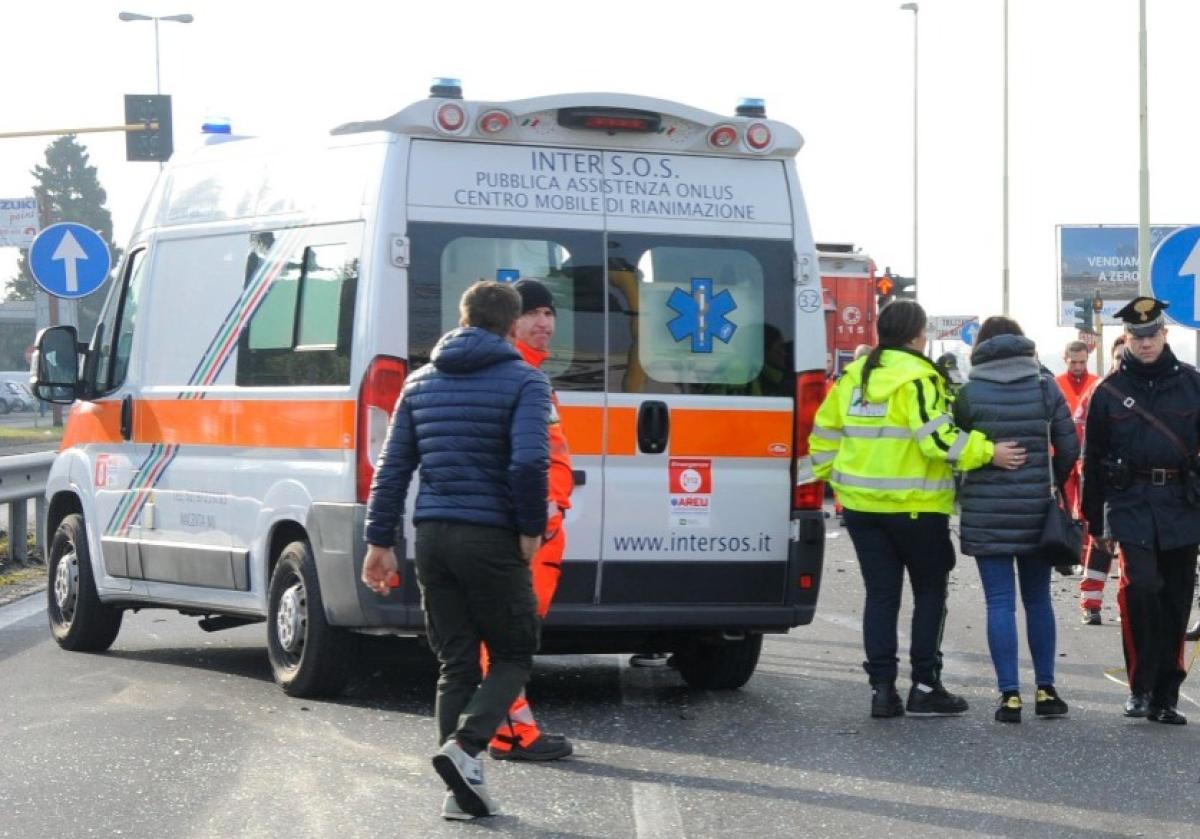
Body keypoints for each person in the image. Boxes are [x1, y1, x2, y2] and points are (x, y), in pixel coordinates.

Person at [361, 280, 551, 818]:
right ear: (512, 326)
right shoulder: (525, 381)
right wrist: (529, 526)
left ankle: (461, 794)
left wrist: (379, 541)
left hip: (434, 537)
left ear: (462, 318)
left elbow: (392, 468)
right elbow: (527, 462)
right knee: (514, 651)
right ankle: (466, 747)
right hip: (491, 535)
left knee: (455, 663)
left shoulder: (419, 383)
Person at [809, 300, 1026, 719]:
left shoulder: (854, 378)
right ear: (915, 335)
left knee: (881, 596)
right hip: (916, 509)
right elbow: (938, 441)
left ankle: (882, 691)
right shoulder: (919, 379)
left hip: (860, 509)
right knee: (929, 594)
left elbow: (822, 438)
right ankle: (925, 686)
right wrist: (989, 452)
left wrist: (838, 481)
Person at [1082, 296, 1200, 725]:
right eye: (1137, 336)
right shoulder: (1109, 390)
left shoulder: (1192, 383)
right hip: (1129, 501)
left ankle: (1166, 694)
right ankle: (1140, 686)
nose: (1145, 343)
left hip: (1182, 504)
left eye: (1152, 335)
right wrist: (1093, 518)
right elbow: (1091, 455)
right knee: (1141, 588)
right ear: (1126, 338)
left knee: (1176, 599)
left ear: (1165, 335)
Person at [953, 317, 1077, 723]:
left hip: (986, 510)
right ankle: (1046, 689)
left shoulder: (969, 392)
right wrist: (1051, 481)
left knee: (999, 603)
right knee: (1038, 600)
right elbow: (1069, 444)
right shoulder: (1045, 386)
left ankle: (1009, 696)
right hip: (1037, 510)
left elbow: (955, 448)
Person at [483, 278, 575, 762]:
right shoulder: (517, 374)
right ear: (510, 321)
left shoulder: (529, 374)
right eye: (532, 313)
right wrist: (544, 514)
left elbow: (550, 455)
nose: (544, 322)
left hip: (538, 524)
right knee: (509, 633)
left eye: (549, 313)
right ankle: (510, 733)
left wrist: (556, 505)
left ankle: (502, 730)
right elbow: (526, 460)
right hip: (528, 530)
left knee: (508, 632)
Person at [1077, 334, 1128, 625]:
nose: (1123, 362)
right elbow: (1081, 430)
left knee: (1132, 553)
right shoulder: (1101, 390)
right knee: (1100, 544)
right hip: (1105, 481)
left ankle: (1127, 607)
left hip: (1133, 485)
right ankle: (1091, 603)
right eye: (1119, 357)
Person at [1055, 340, 1098, 541]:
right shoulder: (1055, 385)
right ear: (1065, 359)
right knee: (1063, 504)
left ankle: (1086, 549)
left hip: (1087, 453)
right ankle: (1066, 547)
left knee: (1088, 505)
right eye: (1073, 362)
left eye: (1082, 362)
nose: (1078, 367)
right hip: (1061, 453)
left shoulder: (1098, 384)